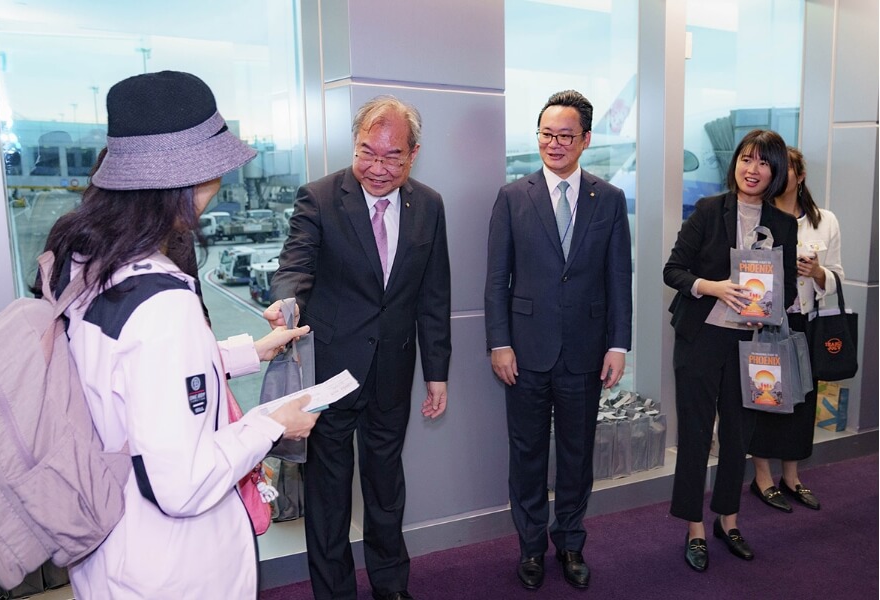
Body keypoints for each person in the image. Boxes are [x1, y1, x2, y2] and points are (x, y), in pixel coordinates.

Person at [39, 70, 319, 599]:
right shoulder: (164, 302)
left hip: (113, 550)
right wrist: (270, 424)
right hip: (177, 569)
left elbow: (128, 375)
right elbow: (184, 482)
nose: (218, 188)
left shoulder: (84, 263)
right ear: (185, 182)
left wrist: (248, 352)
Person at [265, 95, 451, 600]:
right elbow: (294, 265)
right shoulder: (320, 197)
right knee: (328, 493)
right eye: (367, 152)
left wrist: (437, 373)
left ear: (413, 154)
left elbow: (434, 295)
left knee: (386, 487)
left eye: (392, 156)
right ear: (355, 143)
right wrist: (286, 302)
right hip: (331, 372)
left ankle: (391, 585)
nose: (377, 167)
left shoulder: (428, 205)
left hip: (393, 370)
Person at [484, 89, 632, 591]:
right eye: (547, 134)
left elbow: (619, 278)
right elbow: (496, 279)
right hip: (524, 353)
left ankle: (570, 542)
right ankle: (530, 546)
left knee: (576, 455)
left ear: (585, 140)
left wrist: (618, 345)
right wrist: (499, 342)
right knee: (526, 455)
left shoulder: (608, 199)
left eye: (566, 136)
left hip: (585, 354)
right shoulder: (512, 197)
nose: (554, 143)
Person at [663, 129, 798, 573]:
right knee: (697, 435)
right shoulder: (708, 210)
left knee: (738, 436)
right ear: (735, 163)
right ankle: (694, 527)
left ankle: (728, 520)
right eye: (746, 159)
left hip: (751, 344)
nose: (752, 169)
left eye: (763, 163)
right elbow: (673, 270)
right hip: (701, 338)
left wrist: (769, 306)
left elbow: (788, 288)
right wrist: (714, 287)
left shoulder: (784, 224)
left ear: (776, 172)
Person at [748, 147, 843, 512]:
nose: (772, 173)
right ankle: (762, 478)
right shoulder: (757, 216)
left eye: (782, 168)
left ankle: (792, 476)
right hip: (766, 321)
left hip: (805, 321)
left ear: (800, 176)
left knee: (802, 402)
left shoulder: (825, 221)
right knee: (765, 396)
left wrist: (818, 273)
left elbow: (837, 276)